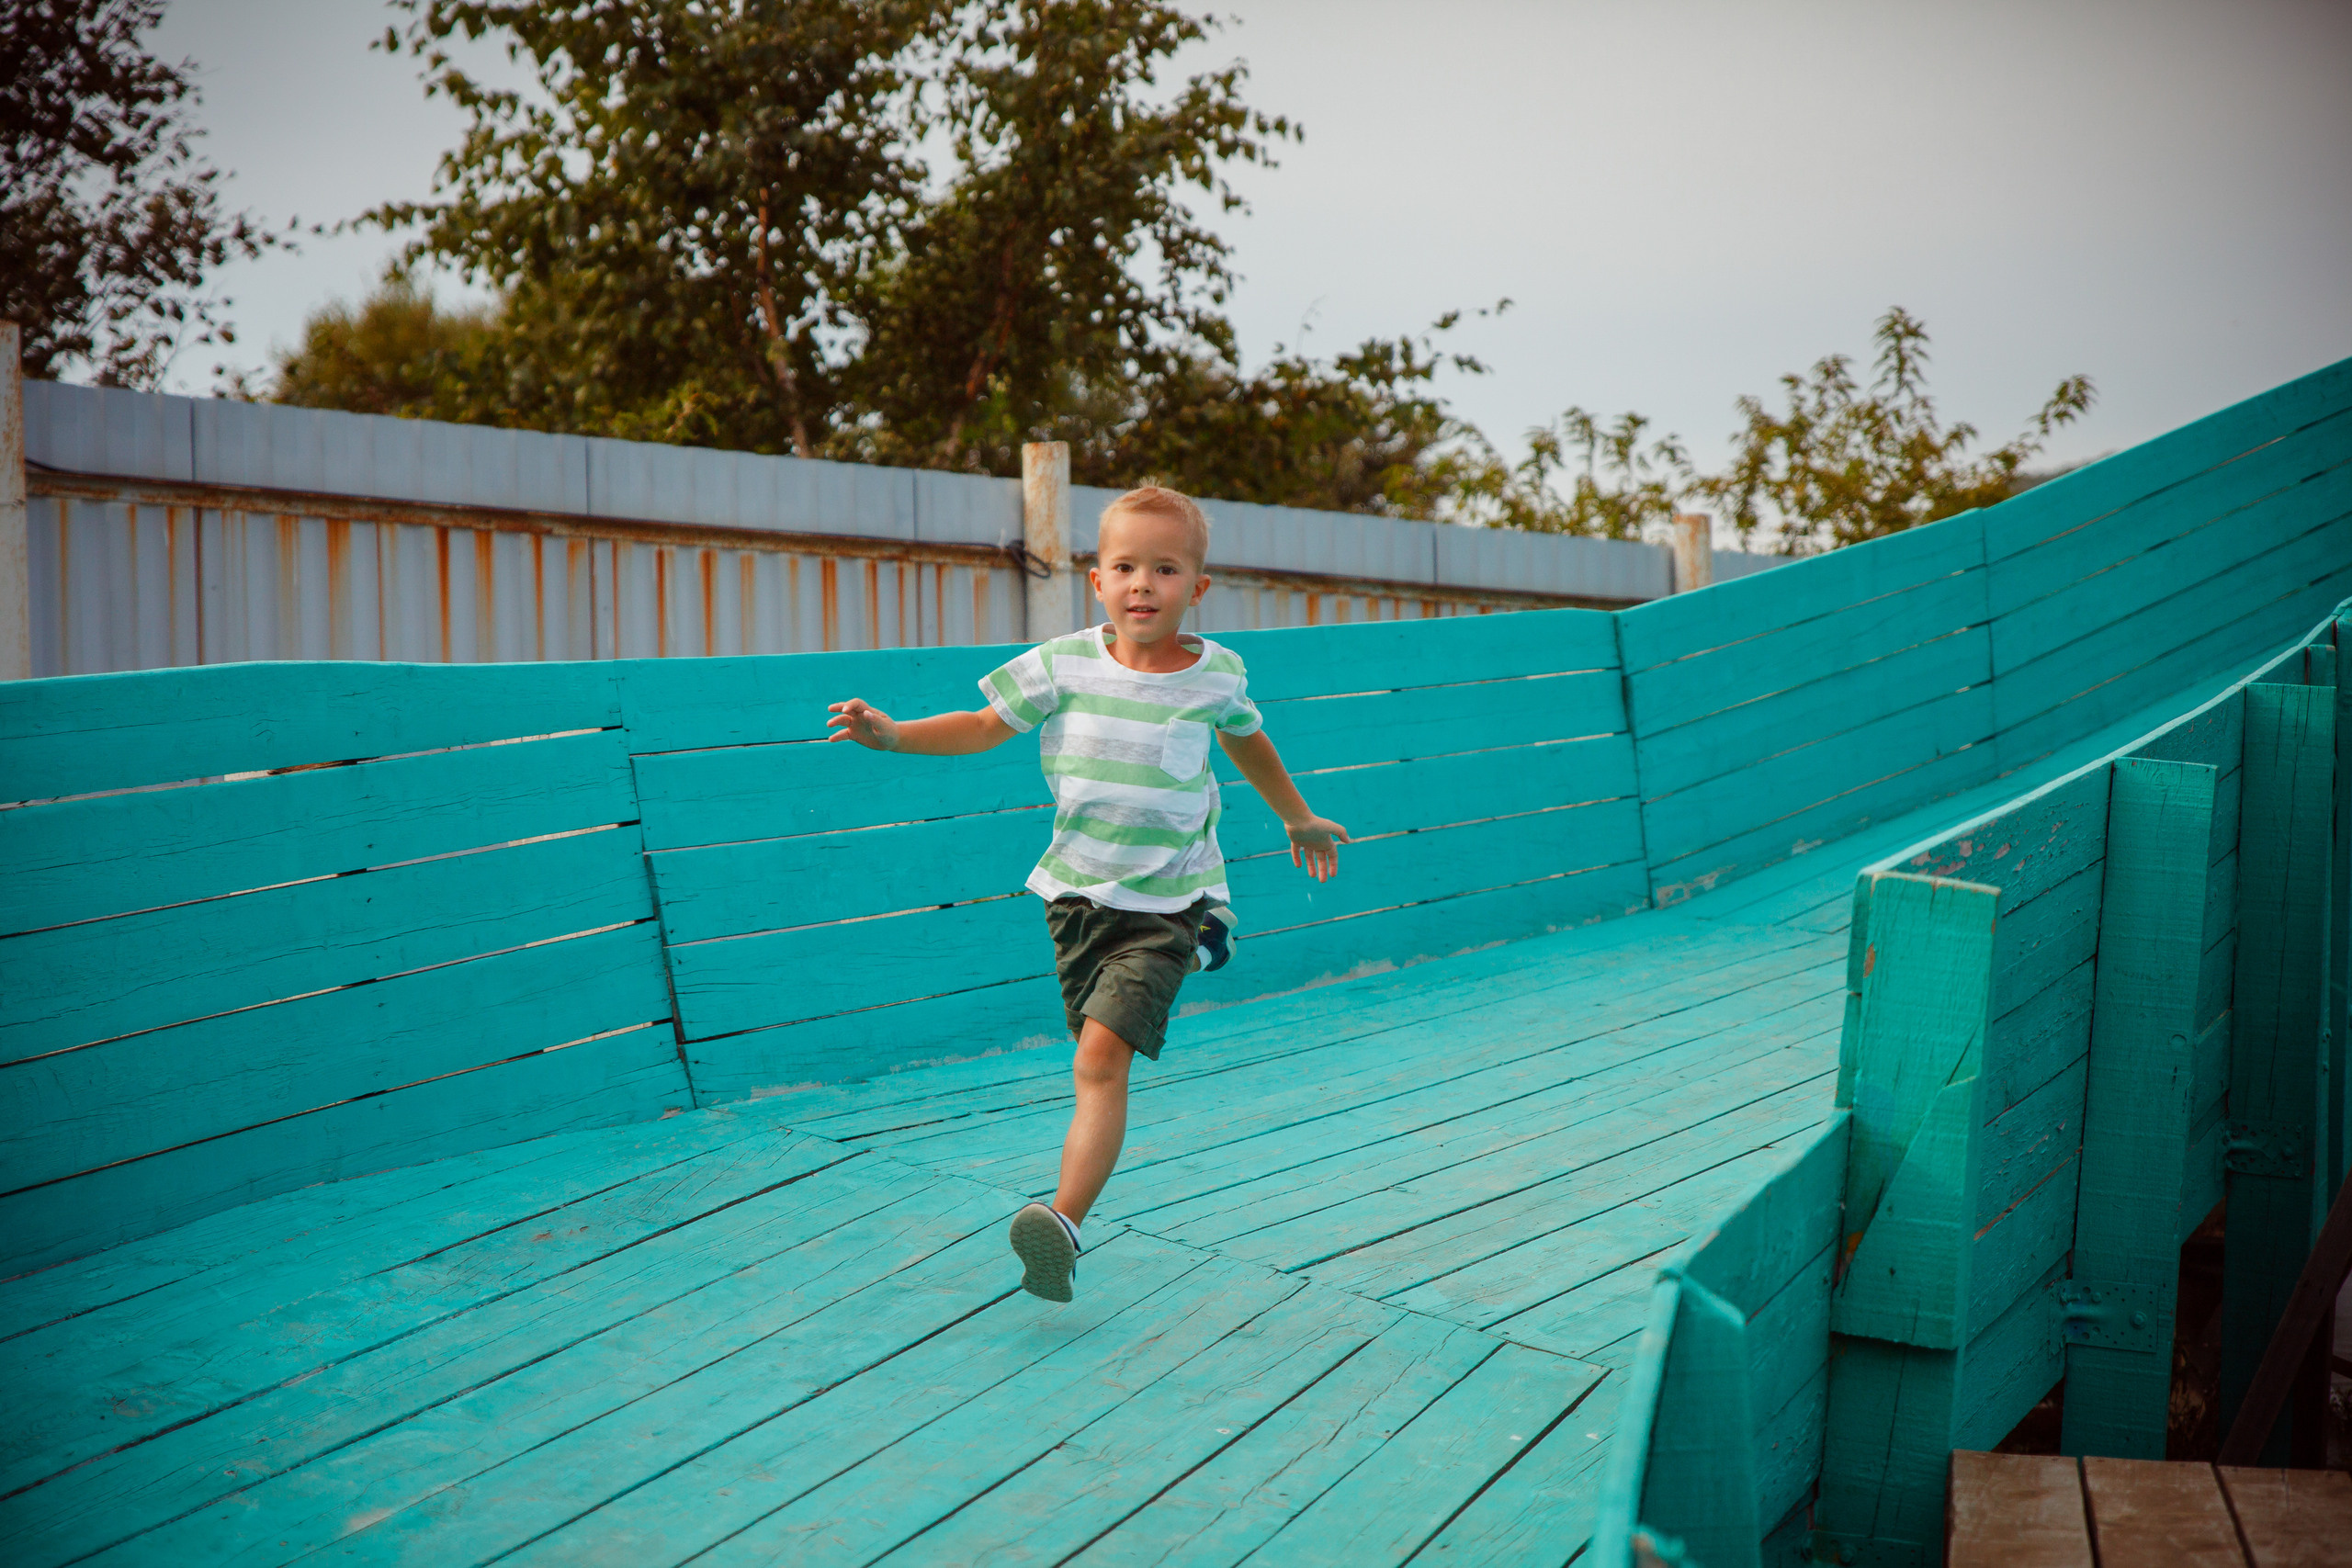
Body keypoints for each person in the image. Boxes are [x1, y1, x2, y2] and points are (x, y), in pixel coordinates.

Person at [825, 485, 1349, 1303]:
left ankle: (1061, 1223)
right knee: (1090, 1056)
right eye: (1125, 566)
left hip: (1167, 900)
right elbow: (981, 724)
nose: (1144, 583)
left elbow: (1250, 746)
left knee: (1099, 1062)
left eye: (1165, 568)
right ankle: (1209, 938)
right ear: (1097, 582)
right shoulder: (1063, 663)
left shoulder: (1215, 676)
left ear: (1196, 588)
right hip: (1075, 900)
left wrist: (1300, 817)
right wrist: (893, 736)